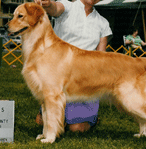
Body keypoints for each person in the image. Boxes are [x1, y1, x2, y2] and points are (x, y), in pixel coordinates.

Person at [34, 0, 112, 132]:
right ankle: (54, 113)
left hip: (83, 79)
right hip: (58, 75)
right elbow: (55, 8)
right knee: (41, 122)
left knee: (77, 128)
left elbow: (101, 56)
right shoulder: (69, 6)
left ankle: (92, 118)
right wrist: (47, 4)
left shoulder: (103, 23)